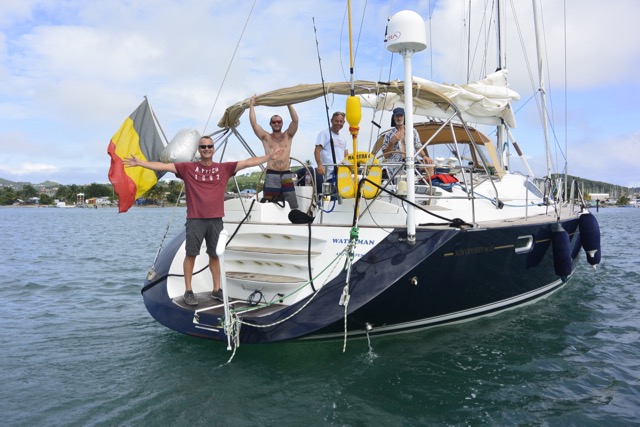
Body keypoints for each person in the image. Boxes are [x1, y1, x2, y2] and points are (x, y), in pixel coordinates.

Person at [123, 136, 283, 307]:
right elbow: (164, 166)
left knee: (214, 255)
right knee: (191, 255)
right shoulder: (187, 168)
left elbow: (247, 163)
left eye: (209, 146)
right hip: (195, 219)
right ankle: (188, 291)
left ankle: (216, 289)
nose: (207, 149)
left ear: (213, 149)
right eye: (203, 147)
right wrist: (140, 163)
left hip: (216, 220)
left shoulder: (224, 168)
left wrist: (268, 157)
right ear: (199, 150)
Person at [249, 94, 299, 210]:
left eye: (279, 121)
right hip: (272, 174)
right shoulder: (266, 137)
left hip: (286, 174)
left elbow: (295, 121)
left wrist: (288, 103)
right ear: (270, 124)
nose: (276, 123)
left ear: (282, 123)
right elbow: (254, 124)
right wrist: (251, 106)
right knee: (270, 203)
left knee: (291, 203)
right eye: (274, 122)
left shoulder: (288, 135)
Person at [381, 107, 434, 177]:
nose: (399, 118)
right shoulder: (388, 135)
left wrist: (424, 156)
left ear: (404, 117)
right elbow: (385, 155)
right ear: (393, 118)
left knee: (430, 165)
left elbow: (418, 147)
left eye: (401, 116)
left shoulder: (413, 131)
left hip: (411, 163)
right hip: (395, 166)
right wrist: (392, 142)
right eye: (397, 116)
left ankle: (428, 183)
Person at [314, 111, 348, 183]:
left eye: (341, 121)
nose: (339, 123)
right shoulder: (324, 133)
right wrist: (319, 164)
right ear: (331, 121)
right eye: (336, 121)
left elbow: (346, 155)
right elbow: (317, 150)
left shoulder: (343, 139)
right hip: (329, 174)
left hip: (341, 173)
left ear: (344, 123)